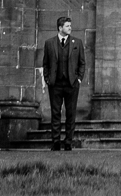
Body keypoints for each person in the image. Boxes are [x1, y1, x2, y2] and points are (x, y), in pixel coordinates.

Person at [38, 16, 86, 150]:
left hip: (72, 84)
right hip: (55, 84)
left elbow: (82, 63)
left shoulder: (77, 42)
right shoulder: (49, 43)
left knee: (71, 113)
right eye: (67, 26)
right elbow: (45, 63)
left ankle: (68, 142)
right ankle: (56, 141)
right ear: (60, 28)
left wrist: (79, 79)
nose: (70, 28)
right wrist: (48, 79)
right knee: (56, 112)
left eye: (70, 25)